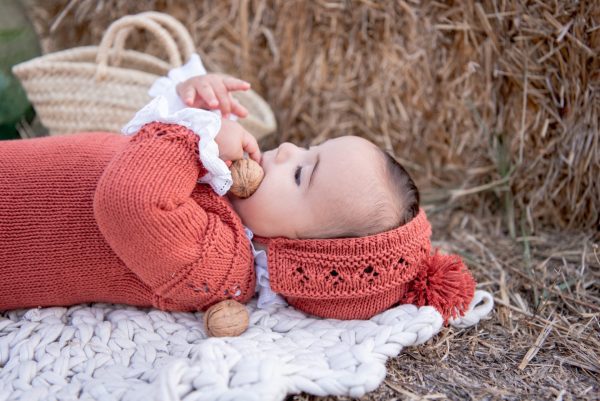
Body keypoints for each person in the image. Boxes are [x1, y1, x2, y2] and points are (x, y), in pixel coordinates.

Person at [0, 54, 477, 322]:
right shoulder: (225, 190)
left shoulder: (219, 264)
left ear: (296, 249)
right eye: (309, 147)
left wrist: (195, 135)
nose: (287, 147)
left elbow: (128, 200)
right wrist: (196, 96)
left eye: (300, 174)